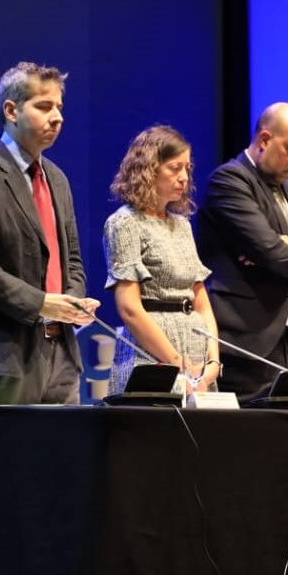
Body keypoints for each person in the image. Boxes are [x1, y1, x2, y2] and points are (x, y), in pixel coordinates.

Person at [0, 61, 98, 575]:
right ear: (11, 110)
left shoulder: (57, 178)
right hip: (5, 357)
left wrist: (71, 300)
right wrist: (40, 303)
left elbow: (69, 258)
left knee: (55, 491)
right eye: (44, 106)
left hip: (60, 356)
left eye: (60, 108)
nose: (57, 117)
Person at [194, 102, 288, 401]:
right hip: (242, 340)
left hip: (287, 340)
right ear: (264, 140)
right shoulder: (230, 181)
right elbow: (269, 252)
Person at [103, 125, 220, 394]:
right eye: (174, 168)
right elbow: (130, 309)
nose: (184, 177)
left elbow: (201, 301)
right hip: (151, 353)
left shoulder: (182, 226)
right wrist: (177, 363)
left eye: (187, 169)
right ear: (149, 169)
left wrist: (213, 359)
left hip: (195, 351)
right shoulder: (125, 223)